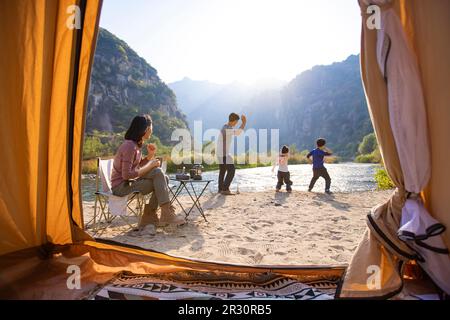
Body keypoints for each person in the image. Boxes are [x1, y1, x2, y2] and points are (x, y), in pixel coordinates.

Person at [111, 114, 184, 229]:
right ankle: (164, 213)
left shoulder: (135, 145)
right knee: (159, 174)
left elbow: (136, 167)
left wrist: (149, 157)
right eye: (151, 128)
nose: (151, 131)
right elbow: (126, 175)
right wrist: (150, 166)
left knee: (164, 178)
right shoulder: (129, 146)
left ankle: (150, 216)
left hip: (129, 183)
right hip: (121, 188)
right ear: (146, 129)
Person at [216, 113, 247, 195]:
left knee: (222, 170)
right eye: (237, 122)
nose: (236, 124)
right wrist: (244, 123)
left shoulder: (225, 126)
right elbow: (238, 133)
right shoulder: (227, 129)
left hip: (219, 152)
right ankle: (225, 189)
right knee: (231, 170)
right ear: (234, 121)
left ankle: (220, 189)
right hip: (223, 153)